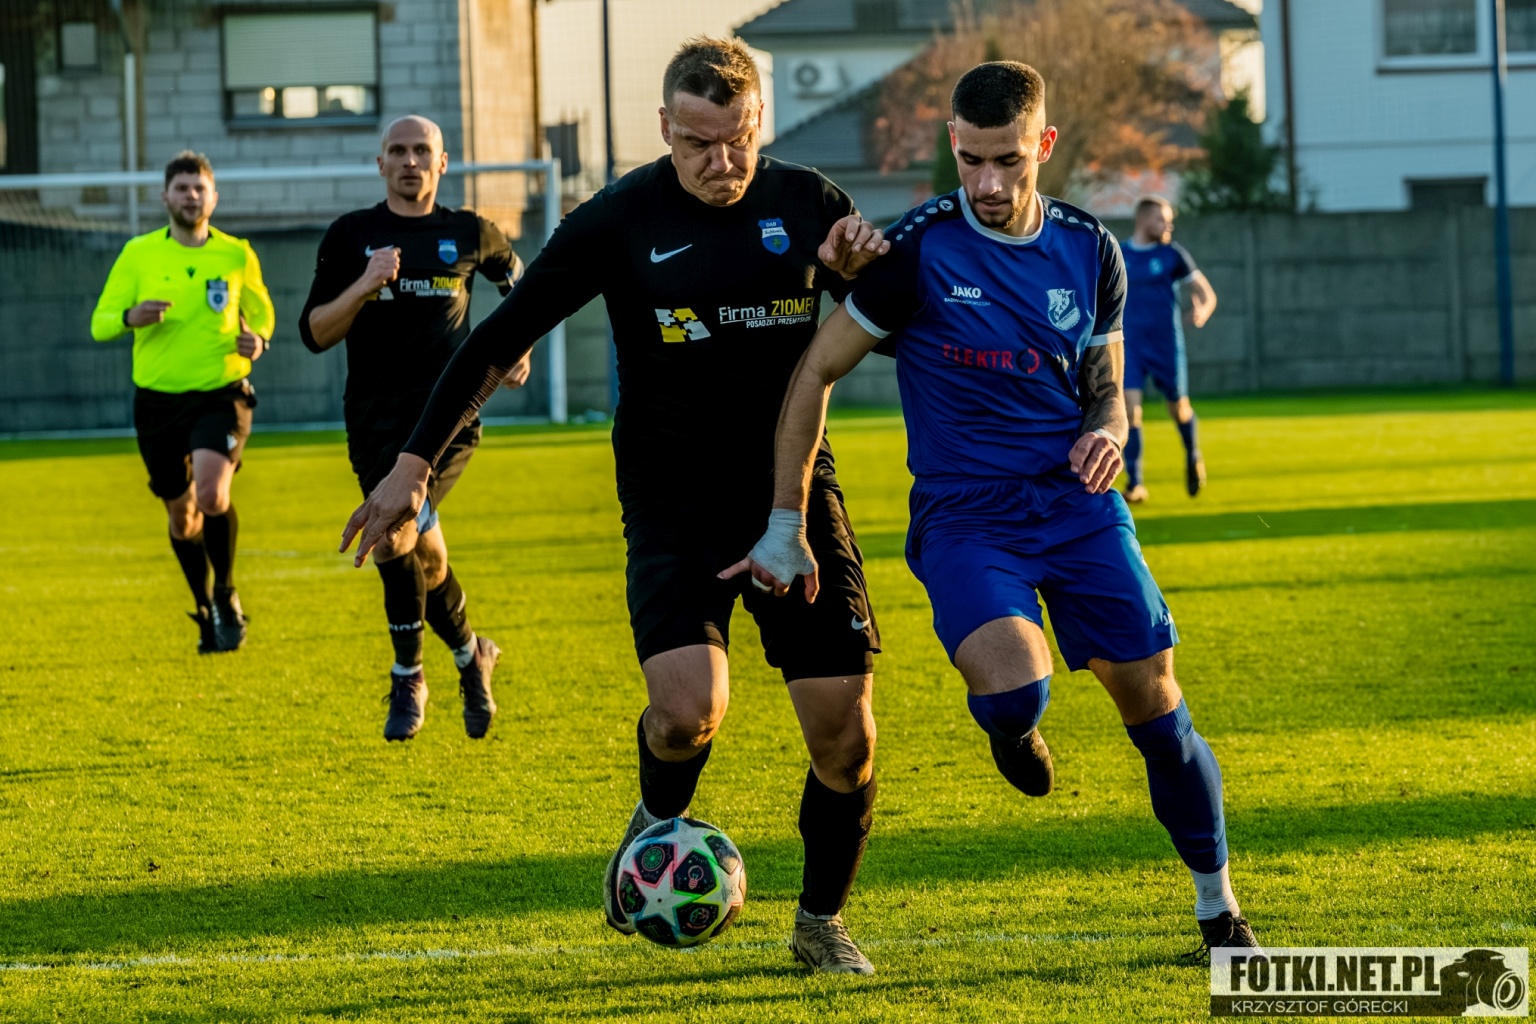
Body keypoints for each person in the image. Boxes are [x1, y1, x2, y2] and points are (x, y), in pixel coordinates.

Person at [341, 38, 890, 973]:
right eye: (698, 143)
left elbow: (884, 328)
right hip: (673, 495)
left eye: (739, 139)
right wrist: (412, 467)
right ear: (664, 127)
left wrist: (862, 271)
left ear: (761, 120)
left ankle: (820, 923)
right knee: (687, 713)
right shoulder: (619, 218)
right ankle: (655, 820)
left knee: (845, 736)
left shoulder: (810, 204)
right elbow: (493, 341)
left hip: (793, 491)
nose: (721, 162)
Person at [730, 61, 1260, 957]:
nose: (987, 183)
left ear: (1042, 144)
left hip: (1078, 508)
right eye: (970, 160)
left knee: (1157, 705)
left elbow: (1105, 387)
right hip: (966, 515)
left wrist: (1107, 430)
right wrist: (786, 521)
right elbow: (815, 369)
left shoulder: (1092, 250)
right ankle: (1012, 734)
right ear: (952, 144)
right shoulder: (916, 251)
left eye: (1008, 161)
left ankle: (1220, 912)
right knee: (1017, 692)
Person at [299, 115, 529, 742]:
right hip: (374, 424)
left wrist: (519, 346)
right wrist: (365, 284)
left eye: (422, 150)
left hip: (449, 423)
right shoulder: (351, 235)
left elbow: (521, 286)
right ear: (380, 164)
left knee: (394, 535)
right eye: (397, 151)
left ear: (442, 161)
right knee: (427, 556)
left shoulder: (471, 232)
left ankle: (408, 677)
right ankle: (472, 655)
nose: (409, 161)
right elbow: (315, 333)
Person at [90, 151, 274, 654]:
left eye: (199, 188)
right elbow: (99, 323)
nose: (191, 196)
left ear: (214, 197)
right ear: (165, 196)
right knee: (182, 517)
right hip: (158, 402)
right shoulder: (138, 254)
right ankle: (204, 608)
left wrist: (257, 340)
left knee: (212, 496)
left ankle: (226, 591)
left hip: (222, 392)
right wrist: (130, 317)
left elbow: (263, 314)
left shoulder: (236, 254)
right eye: (182, 188)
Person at [1119, 195, 1218, 502]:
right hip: (1130, 346)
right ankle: (1135, 484)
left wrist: (1202, 310)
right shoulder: (1119, 254)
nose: (1168, 225)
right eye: (1162, 219)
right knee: (1130, 413)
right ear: (1143, 219)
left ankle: (1192, 454)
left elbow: (1206, 293)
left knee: (1179, 410)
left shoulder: (1172, 254)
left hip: (1166, 346)